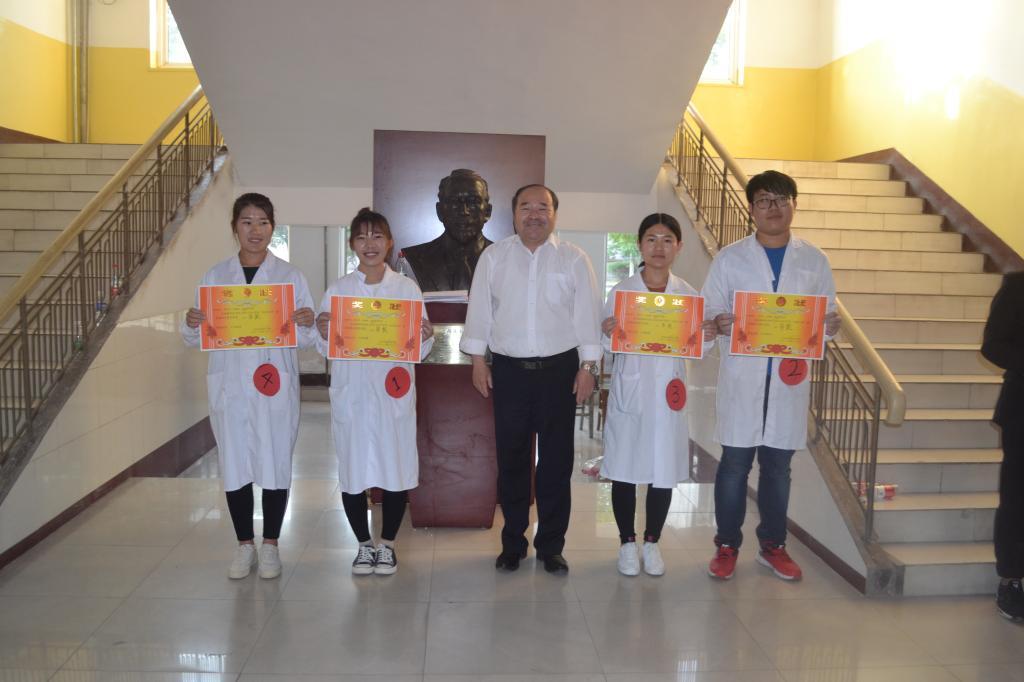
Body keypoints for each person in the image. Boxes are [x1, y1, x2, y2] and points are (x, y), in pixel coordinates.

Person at [701, 170, 840, 581]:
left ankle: (773, 546)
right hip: (743, 381)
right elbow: (709, 310)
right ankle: (727, 545)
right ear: (751, 209)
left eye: (781, 199)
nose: (773, 208)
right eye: (764, 200)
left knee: (778, 469)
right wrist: (719, 322)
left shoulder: (814, 260)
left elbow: (827, 314)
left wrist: (830, 327)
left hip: (787, 382)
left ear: (794, 205)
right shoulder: (730, 258)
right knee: (734, 466)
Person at [461, 184, 601, 574]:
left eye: (543, 207)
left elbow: (587, 315)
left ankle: (552, 546)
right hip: (510, 373)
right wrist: (477, 361)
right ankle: (513, 543)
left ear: (554, 214)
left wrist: (588, 368)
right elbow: (480, 313)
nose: (534, 215)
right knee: (512, 460)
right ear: (514, 214)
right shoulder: (494, 257)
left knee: (556, 463)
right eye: (526, 207)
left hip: (560, 372)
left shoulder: (574, 258)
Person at [181, 192, 317, 580]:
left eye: (263, 222)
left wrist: (306, 321)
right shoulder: (215, 277)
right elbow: (195, 337)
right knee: (235, 464)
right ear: (234, 227)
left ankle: (270, 545)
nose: (255, 230)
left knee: (275, 462)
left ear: (273, 228)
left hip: (274, 386)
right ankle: (244, 545)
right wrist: (191, 323)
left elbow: (307, 339)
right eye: (247, 222)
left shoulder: (290, 277)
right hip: (231, 387)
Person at [316, 207, 434, 576]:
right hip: (352, 394)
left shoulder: (406, 289)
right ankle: (363, 546)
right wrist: (323, 330)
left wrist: (425, 336)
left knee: (395, 468)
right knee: (352, 471)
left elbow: (419, 349)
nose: (370, 244)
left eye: (377, 236)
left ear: (390, 243)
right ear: (352, 244)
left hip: (392, 394)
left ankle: (388, 546)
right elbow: (325, 347)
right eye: (362, 237)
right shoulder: (338, 290)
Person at [600, 213, 716, 576]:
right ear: (640, 245)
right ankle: (626, 544)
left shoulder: (689, 295)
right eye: (651, 239)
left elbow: (698, 348)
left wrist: (709, 335)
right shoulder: (622, 292)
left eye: (667, 240)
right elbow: (605, 343)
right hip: (631, 393)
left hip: (669, 394)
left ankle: (652, 543)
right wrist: (607, 331)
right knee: (624, 469)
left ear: (678, 247)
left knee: (662, 470)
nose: (659, 247)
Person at [980, 270, 1024, 621]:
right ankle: (1011, 580)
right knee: (1017, 499)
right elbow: (993, 345)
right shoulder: (1018, 285)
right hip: (1022, 411)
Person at [399, 168, 494, 292]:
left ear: (487, 212)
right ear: (440, 211)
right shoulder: (412, 259)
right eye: (454, 201)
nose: (464, 211)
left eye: (472, 202)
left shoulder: (505, 258)